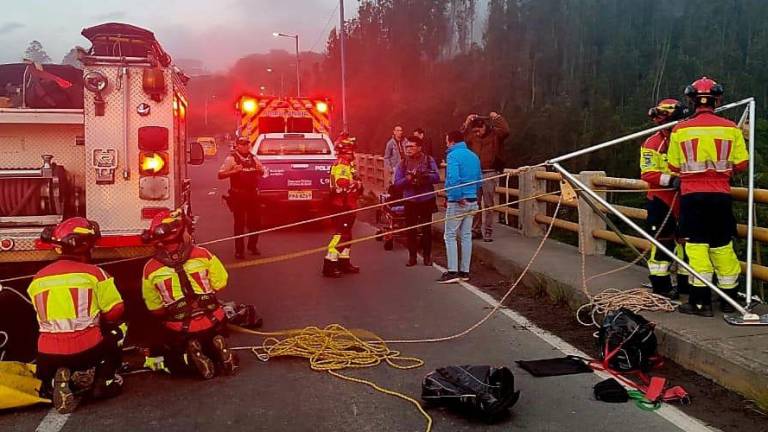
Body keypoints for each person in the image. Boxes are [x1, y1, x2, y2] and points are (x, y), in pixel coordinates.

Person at [667, 77, 749, 317]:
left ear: (692, 101)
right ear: (718, 100)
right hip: (721, 196)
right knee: (723, 246)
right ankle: (729, 299)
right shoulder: (731, 128)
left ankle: (700, 302)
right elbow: (742, 163)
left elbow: (673, 165)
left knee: (697, 248)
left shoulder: (680, 130)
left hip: (692, 197)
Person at [29, 217, 125, 414]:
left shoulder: (37, 278)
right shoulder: (96, 274)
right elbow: (116, 310)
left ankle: (54, 381)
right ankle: (104, 381)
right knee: (117, 331)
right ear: (85, 246)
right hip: (86, 351)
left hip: (46, 356)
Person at [140, 209, 238, 378]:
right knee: (210, 334)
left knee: (174, 363)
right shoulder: (204, 254)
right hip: (214, 319)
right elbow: (221, 283)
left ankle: (189, 357)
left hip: (180, 328)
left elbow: (155, 309)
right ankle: (216, 347)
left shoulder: (150, 269)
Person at [640, 98, 690, 300]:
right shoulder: (652, 142)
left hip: (686, 199)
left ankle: (687, 285)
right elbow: (647, 173)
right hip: (661, 199)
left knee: (688, 244)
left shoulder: (688, 138)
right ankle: (661, 286)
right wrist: (671, 180)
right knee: (662, 243)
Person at [438, 130, 482, 283]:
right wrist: (472, 195)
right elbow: (479, 179)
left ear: (451, 141)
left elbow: (453, 178)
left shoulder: (452, 156)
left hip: (458, 201)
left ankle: (452, 271)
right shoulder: (474, 156)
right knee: (466, 236)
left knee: (449, 235)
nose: (446, 143)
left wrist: (457, 196)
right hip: (472, 200)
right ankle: (465, 271)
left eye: (446, 140)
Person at [462, 112, 510, 242]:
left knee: (488, 204)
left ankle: (488, 231)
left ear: (483, 126)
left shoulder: (495, 134)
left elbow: (506, 130)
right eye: (475, 132)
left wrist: (497, 118)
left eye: (478, 131)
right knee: (475, 203)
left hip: (490, 172)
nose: (477, 134)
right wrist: (467, 122)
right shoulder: (473, 136)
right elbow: (463, 137)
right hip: (475, 173)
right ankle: (476, 230)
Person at [393, 135, 440, 267]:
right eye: (407, 146)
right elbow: (397, 183)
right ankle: (412, 257)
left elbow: (436, 177)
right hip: (410, 199)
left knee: (426, 229)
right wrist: (408, 179)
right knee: (411, 230)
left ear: (419, 147)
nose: (408, 149)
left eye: (411, 146)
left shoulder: (429, 160)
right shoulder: (402, 163)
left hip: (426, 198)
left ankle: (426, 257)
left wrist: (424, 176)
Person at [323, 134, 363, 277]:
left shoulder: (348, 165)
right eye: (351, 151)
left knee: (348, 235)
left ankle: (344, 262)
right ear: (346, 152)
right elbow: (341, 182)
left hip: (349, 204)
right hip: (342, 205)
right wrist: (356, 183)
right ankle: (329, 263)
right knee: (340, 235)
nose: (353, 154)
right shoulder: (341, 165)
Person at [218, 137, 264, 259]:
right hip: (238, 195)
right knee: (239, 224)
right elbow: (220, 174)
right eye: (242, 144)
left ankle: (252, 246)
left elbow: (263, 172)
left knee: (256, 222)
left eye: (247, 144)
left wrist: (261, 170)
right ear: (237, 146)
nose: (245, 147)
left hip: (252, 195)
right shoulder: (232, 159)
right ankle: (239, 250)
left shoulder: (253, 158)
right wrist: (234, 171)